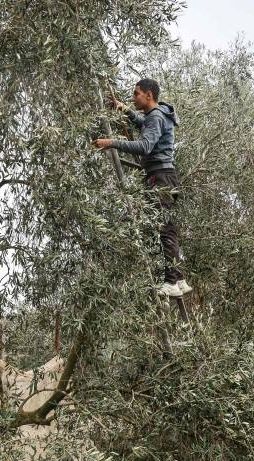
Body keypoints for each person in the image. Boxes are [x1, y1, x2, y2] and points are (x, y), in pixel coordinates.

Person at [93, 79, 192, 298]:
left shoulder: (155, 117)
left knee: (165, 229)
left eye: (136, 94)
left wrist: (111, 142)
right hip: (167, 176)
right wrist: (127, 111)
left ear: (149, 95)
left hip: (160, 178)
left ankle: (171, 283)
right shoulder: (158, 115)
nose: (133, 97)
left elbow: (145, 146)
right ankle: (180, 279)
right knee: (170, 228)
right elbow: (145, 127)